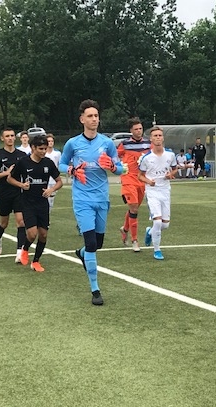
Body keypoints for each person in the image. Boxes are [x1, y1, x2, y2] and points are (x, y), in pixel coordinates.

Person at [59, 99, 125, 306]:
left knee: (98, 244)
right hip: (82, 199)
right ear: (82, 119)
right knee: (91, 244)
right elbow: (61, 164)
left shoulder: (107, 143)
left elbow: (120, 168)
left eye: (96, 116)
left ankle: (81, 254)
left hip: (101, 198)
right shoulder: (73, 143)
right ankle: (95, 290)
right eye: (90, 116)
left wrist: (112, 167)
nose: (94, 119)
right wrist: (72, 170)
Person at [7, 135, 63, 271]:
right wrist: (21, 185)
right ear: (33, 148)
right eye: (40, 149)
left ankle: (36, 261)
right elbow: (10, 179)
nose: (43, 151)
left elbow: (59, 181)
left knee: (43, 234)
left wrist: (51, 189)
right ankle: (25, 249)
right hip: (27, 203)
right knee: (32, 234)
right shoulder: (23, 162)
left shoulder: (48, 163)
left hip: (42, 203)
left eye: (45, 149)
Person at [138, 126, 178, 260]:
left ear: (163, 138)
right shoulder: (146, 158)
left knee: (165, 225)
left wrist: (170, 174)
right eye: (155, 136)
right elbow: (140, 176)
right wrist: (149, 182)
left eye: (160, 135)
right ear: (151, 139)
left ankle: (150, 232)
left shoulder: (170, 155)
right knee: (157, 222)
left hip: (165, 190)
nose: (158, 138)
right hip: (152, 191)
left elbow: (174, 169)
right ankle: (157, 250)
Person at [0, 128, 29, 259]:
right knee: (4, 223)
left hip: (19, 191)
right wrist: (6, 173)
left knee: (21, 222)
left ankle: (19, 252)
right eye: (7, 136)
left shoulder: (22, 155)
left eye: (12, 135)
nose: (10, 138)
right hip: (4, 192)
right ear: (2, 138)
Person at [117, 117, 151, 252]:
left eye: (140, 128)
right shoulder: (124, 144)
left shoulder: (148, 144)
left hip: (142, 180)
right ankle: (135, 240)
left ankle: (125, 229)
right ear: (131, 130)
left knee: (134, 208)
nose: (139, 131)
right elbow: (115, 156)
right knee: (134, 208)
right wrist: (119, 166)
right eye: (136, 129)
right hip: (128, 179)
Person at [45, 133, 62, 211]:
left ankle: (48, 213)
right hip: (45, 178)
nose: (50, 143)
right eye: (49, 141)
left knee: (51, 200)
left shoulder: (57, 153)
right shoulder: (43, 153)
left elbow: (60, 164)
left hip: (53, 180)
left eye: (52, 141)